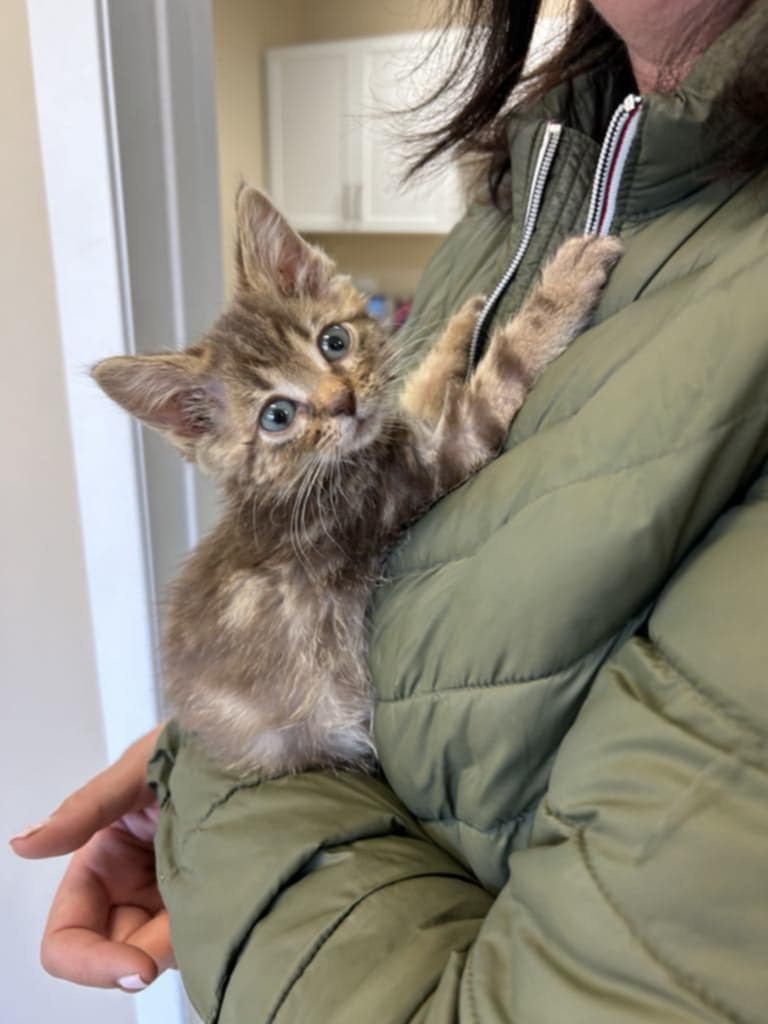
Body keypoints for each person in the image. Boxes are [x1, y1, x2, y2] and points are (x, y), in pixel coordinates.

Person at [12, 0, 768, 1018]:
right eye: (280, 411)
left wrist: (210, 820)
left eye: (332, 347)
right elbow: (409, 603)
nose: (337, 398)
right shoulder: (542, 158)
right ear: (200, 430)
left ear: (309, 276)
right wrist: (186, 767)